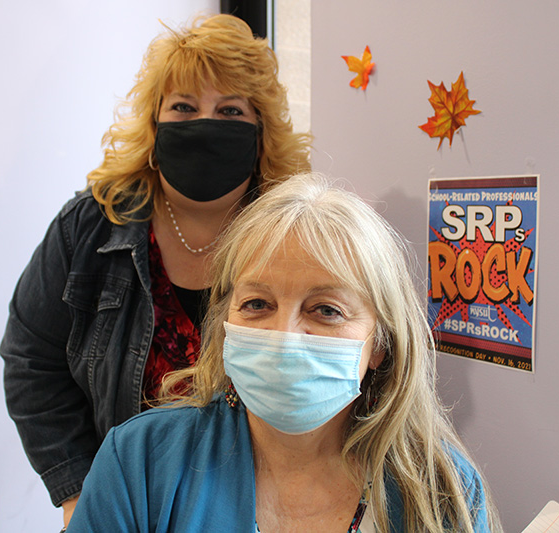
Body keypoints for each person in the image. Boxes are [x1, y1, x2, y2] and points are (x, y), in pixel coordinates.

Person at [0, 14, 311, 527]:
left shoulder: (293, 233)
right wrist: (78, 488)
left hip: (261, 503)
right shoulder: (88, 227)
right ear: (154, 123)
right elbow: (31, 359)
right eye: (184, 107)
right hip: (122, 500)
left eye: (229, 109)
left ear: (260, 132)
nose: (203, 125)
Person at [66, 173, 501, 532]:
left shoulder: (441, 494)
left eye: (326, 310)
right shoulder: (140, 463)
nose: (284, 336)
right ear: (225, 321)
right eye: (258, 304)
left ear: (380, 346)